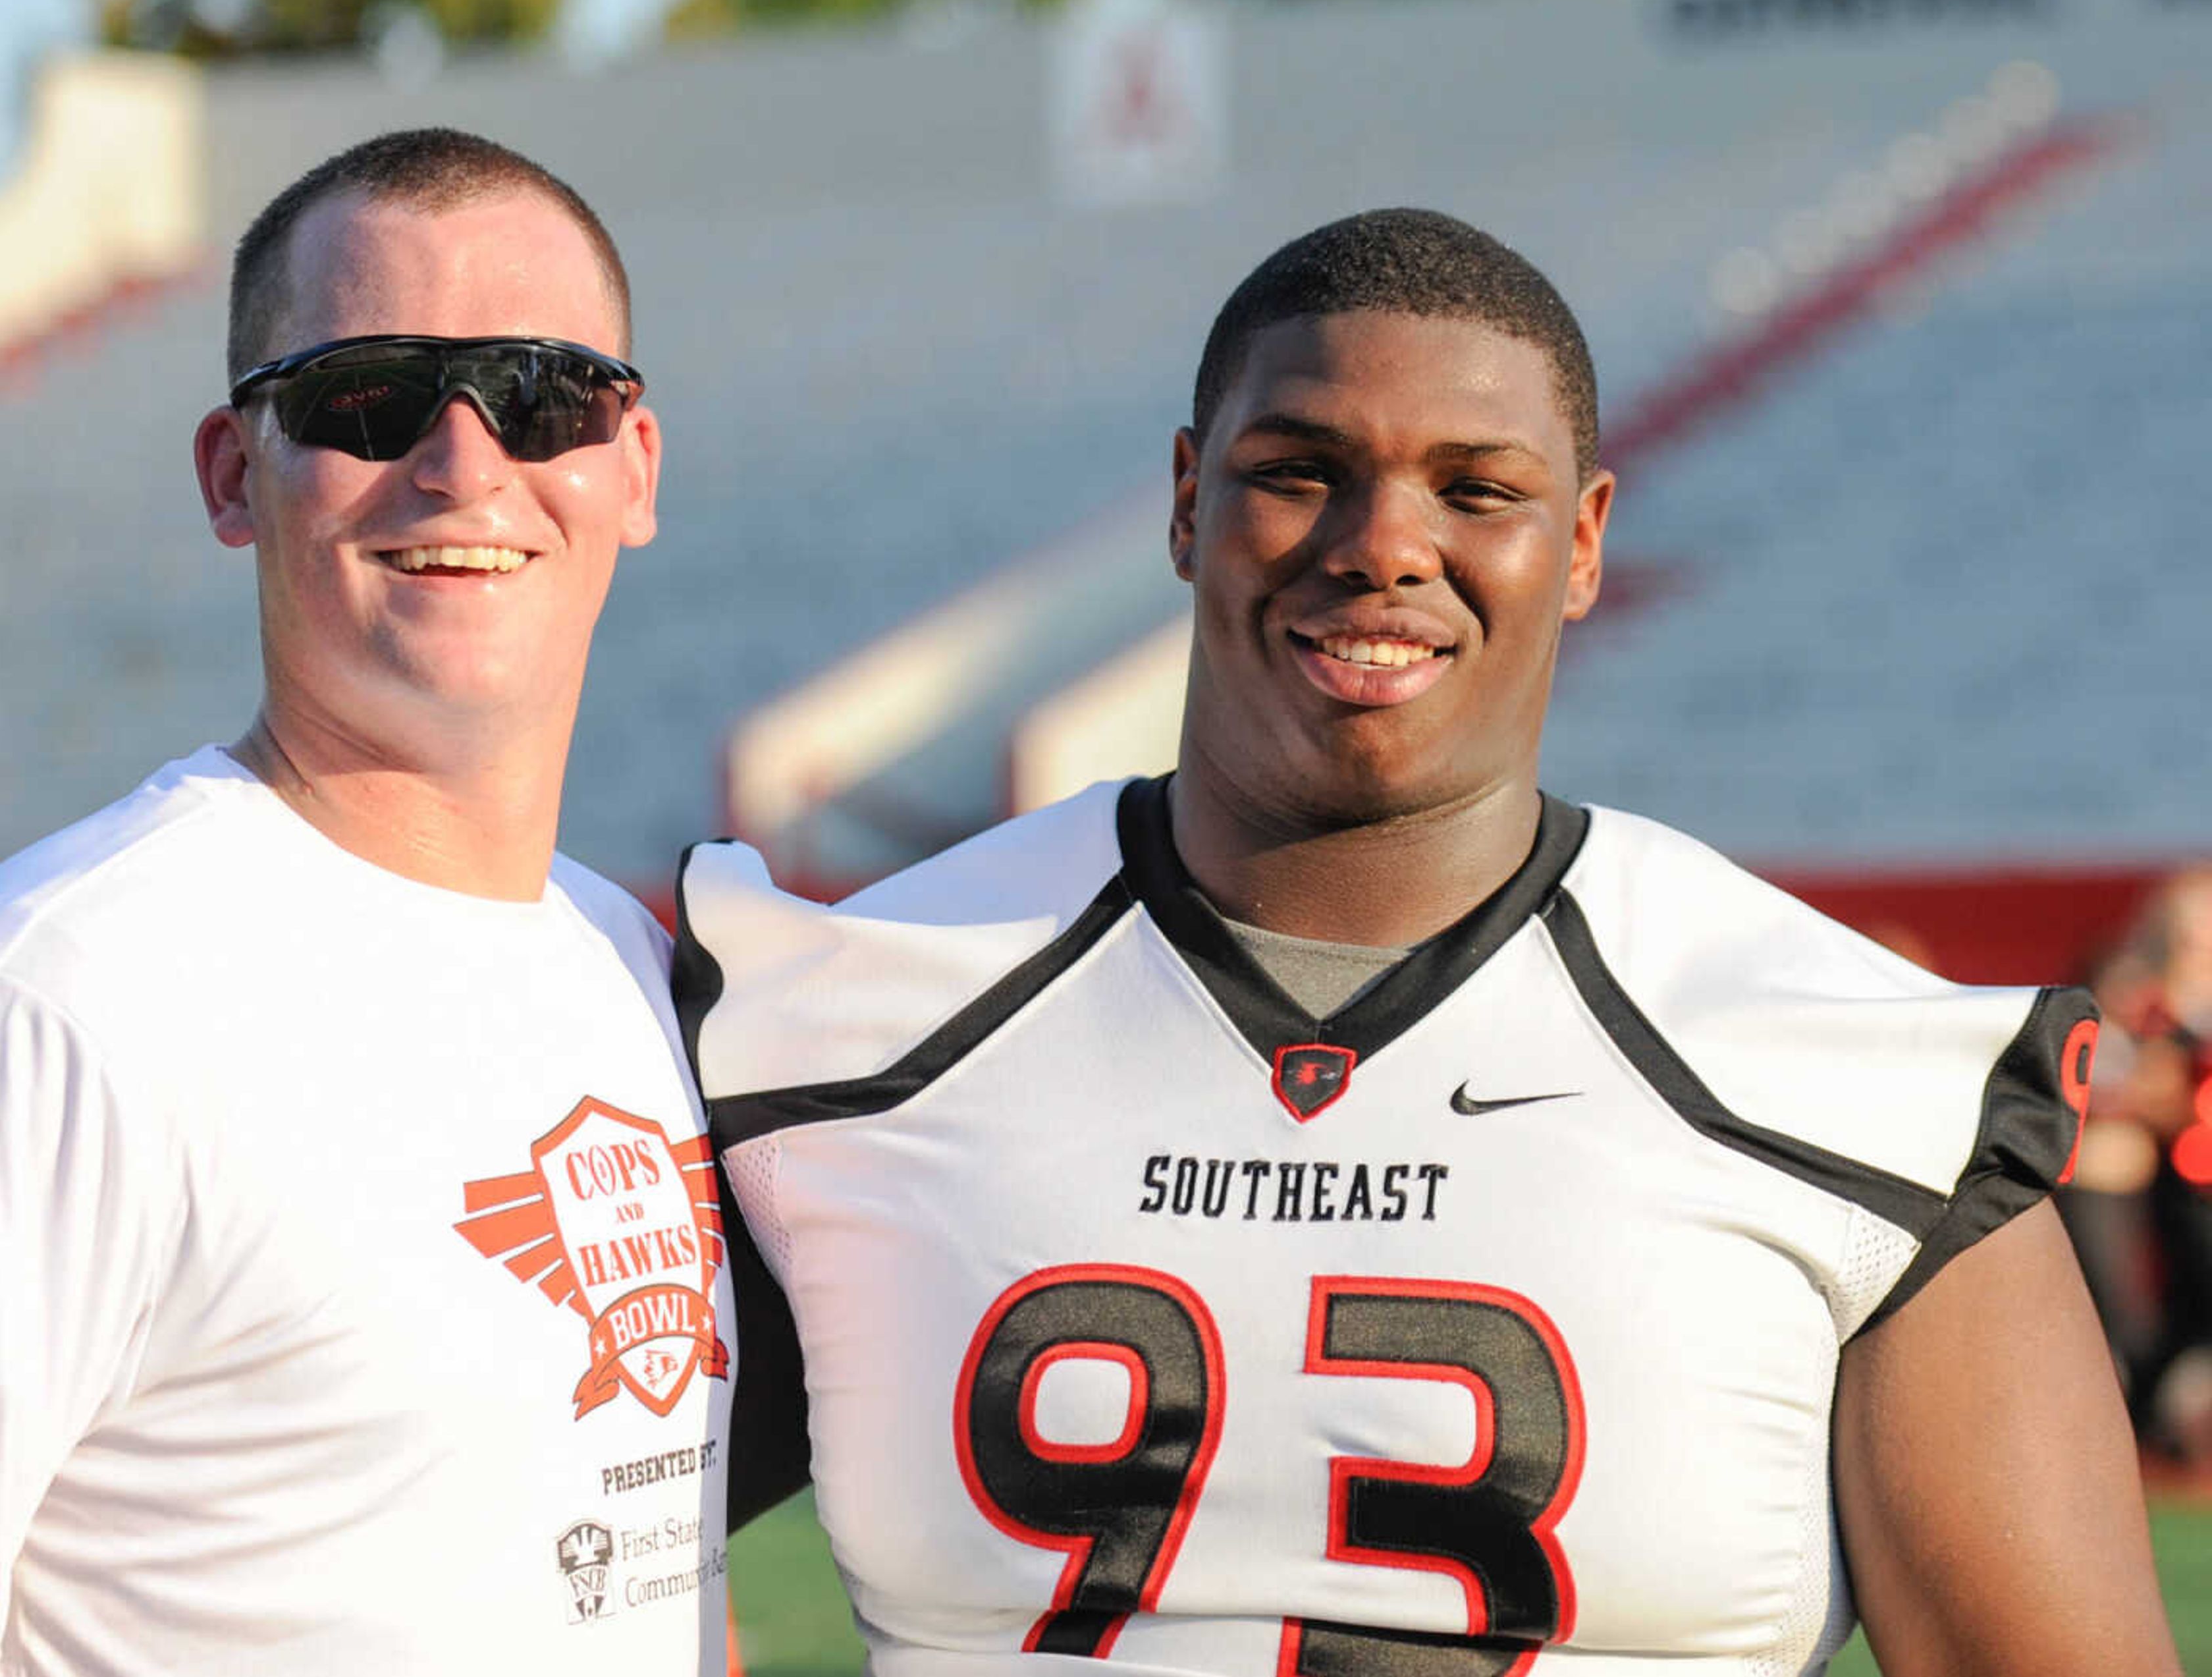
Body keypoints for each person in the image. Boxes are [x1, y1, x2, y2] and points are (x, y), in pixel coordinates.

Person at [672, 209, 2181, 1674]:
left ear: (1583, 541)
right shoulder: (844, 1022)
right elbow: (537, 1550)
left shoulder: (1851, 1075)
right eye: (1300, 471)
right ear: (1187, 502)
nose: (1384, 544)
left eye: (1476, 490)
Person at [0, 130, 737, 1676]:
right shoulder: (33, 1010)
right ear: (235, 475)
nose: (462, 461)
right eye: (365, 396)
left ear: (631, 468)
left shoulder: (633, 970)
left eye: (541, 391)